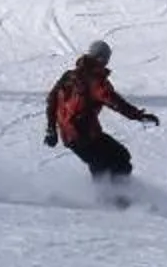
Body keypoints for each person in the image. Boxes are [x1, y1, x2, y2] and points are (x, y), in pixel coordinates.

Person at [45, 40, 159, 183]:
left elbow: (52, 100)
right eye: (106, 58)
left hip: (73, 135)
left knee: (109, 160)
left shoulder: (69, 76)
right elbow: (114, 101)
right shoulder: (95, 81)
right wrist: (138, 115)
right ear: (100, 58)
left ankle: (105, 196)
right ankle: (115, 198)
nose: (107, 62)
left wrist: (51, 129)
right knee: (117, 160)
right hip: (84, 135)